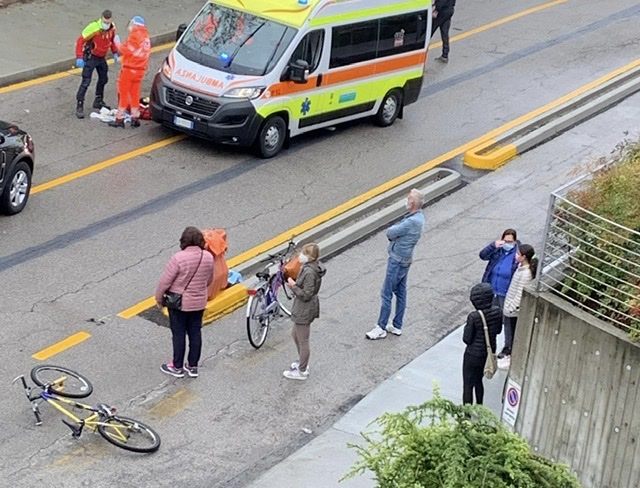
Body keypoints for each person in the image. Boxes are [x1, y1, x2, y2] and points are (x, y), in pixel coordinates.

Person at [366, 189, 425, 340]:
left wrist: (395, 236)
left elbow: (391, 232)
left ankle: (381, 326)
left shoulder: (411, 221)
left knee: (386, 293)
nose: (406, 199)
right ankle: (397, 325)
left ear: (412, 202)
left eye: (408, 198)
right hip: (406, 259)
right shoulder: (419, 218)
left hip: (397, 260)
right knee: (401, 292)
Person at [155, 227, 214, 379]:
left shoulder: (178, 258)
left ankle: (177, 366)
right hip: (199, 302)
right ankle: (193, 366)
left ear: (184, 240)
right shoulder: (208, 257)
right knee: (195, 332)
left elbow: (165, 282)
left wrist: (159, 298)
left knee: (179, 334)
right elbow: (209, 280)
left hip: (179, 303)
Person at [283, 243, 326, 381]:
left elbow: (306, 294)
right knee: (295, 335)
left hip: (304, 308)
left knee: (303, 340)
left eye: (304, 253)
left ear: (311, 257)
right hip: (303, 307)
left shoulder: (308, 272)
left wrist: (293, 286)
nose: (300, 255)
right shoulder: (311, 268)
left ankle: (302, 370)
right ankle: (302, 362)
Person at [498, 244, 538, 368]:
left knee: (512, 331)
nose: (516, 255)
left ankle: (509, 354)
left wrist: (510, 308)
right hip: (510, 307)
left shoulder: (525, 273)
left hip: (512, 309)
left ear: (523, 256)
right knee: (509, 330)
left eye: (518, 254)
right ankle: (507, 350)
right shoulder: (521, 268)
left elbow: (520, 294)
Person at [462, 283, 502, 405]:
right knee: (478, 381)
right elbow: (498, 330)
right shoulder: (497, 311)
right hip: (487, 353)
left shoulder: (474, 316)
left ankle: (466, 415)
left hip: (472, 354)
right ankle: (480, 406)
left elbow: (467, 339)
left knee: (468, 385)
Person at [75, 10, 119, 119]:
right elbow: (80, 40)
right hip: (91, 57)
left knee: (103, 78)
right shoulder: (93, 27)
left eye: (108, 22)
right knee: (86, 82)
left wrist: (115, 52)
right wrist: (79, 57)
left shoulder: (112, 28)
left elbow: (112, 40)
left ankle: (98, 100)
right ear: (102, 18)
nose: (106, 24)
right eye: (105, 21)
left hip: (101, 57)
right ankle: (79, 105)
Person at [109, 16, 151, 128]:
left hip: (129, 69)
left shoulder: (134, 35)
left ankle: (119, 119)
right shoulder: (146, 36)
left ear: (134, 24)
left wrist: (117, 43)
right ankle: (135, 117)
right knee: (134, 94)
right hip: (140, 70)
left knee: (123, 94)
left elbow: (126, 50)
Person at [479, 228, 520, 315]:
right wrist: (493, 246)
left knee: (505, 317)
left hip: (506, 294)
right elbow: (483, 256)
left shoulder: (518, 254)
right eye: (505, 241)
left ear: (515, 241)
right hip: (492, 292)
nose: (507, 244)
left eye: (510, 242)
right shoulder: (497, 250)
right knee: (491, 316)